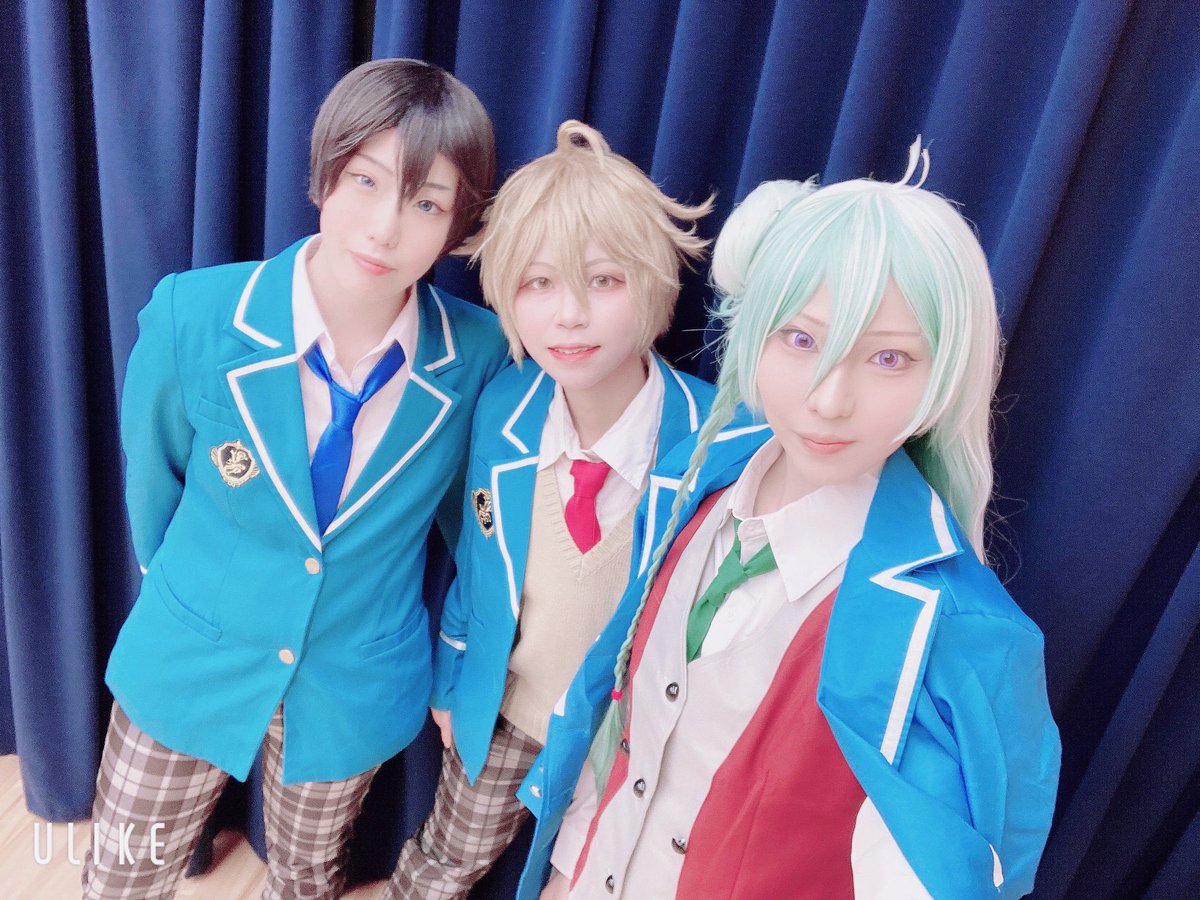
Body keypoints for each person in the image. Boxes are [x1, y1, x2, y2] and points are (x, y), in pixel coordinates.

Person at [543, 144, 1061, 898]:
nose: (828, 400)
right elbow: (625, 716)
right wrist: (569, 870)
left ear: (946, 376)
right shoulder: (694, 476)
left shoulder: (954, 634)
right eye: (801, 339)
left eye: (888, 359)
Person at [83, 58, 508, 899]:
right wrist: (197, 598)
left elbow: (473, 533)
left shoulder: (479, 354)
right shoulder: (194, 314)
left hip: (353, 677)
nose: (385, 228)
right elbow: (153, 484)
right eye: (365, 181)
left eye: (426, 203)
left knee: (308, 877)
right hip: (189, 651)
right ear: (324, 175)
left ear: (458, 224)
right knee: (123, 872)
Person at [384, 120, 716, 899]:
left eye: (603, 281)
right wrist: (453, 678)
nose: (569, 315)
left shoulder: (716, 440)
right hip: (506, 711)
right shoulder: (503, 406)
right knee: (447, 858)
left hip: (628, 734)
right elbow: (476, 557)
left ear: (654, 286)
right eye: (538, 284)